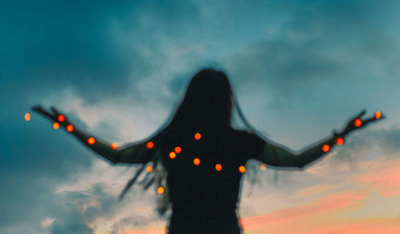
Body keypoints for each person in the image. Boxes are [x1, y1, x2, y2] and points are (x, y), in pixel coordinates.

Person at [33, 68, 384, 234]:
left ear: (189, 99)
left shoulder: (171, 140)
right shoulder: (241, 142)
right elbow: (297, 162)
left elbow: (115, 155)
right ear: (227, 101)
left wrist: (68, 126)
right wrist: (344, 133)